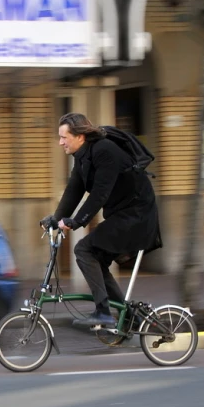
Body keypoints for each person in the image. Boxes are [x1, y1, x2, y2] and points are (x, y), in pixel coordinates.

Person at [40, 113, 162, 328]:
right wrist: (55, 218)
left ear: (80, 136)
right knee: (95, 258)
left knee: (84, 250)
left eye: (64, 137)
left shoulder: (105, 150)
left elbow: (100, 194)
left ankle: (103, 312)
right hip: (122, 214)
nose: (60, 142)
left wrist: (76, 221)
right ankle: (129, 316)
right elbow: (73, 190)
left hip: (137, 215)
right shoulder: (82, 156)